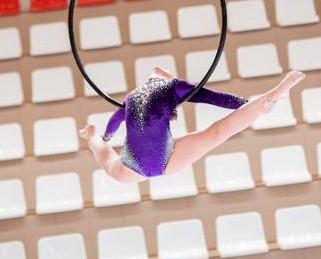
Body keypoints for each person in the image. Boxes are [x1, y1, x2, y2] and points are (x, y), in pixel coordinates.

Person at [79, 67, 306, 183]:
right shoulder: (174, 86)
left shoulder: (132, 97)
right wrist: (247, 104)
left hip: (133, 165)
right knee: (217, 132)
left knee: (108, 161)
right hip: (165, 158)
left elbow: (114, 122)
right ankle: (269, 98)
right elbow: (216, 98)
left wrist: (107, 136)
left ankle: (91, 136)